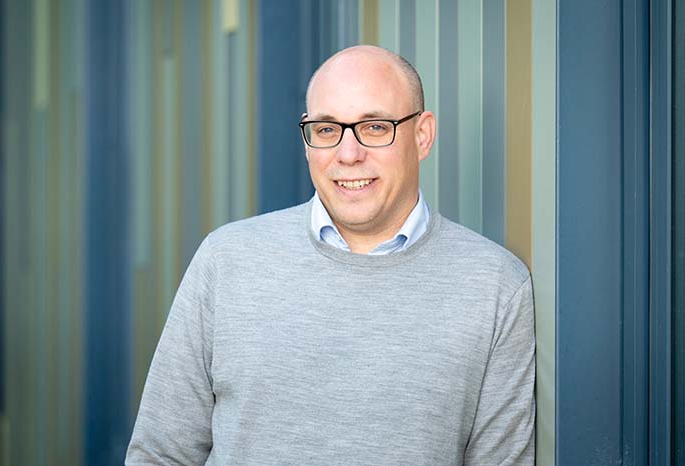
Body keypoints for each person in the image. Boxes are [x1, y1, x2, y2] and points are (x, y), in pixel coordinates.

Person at [126, 45, 535, 465]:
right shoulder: (227, 260)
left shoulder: (495, 286)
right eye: (326, 130)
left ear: (422, 135)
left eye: (375, 127)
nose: (348, 153)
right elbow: (160, 453)